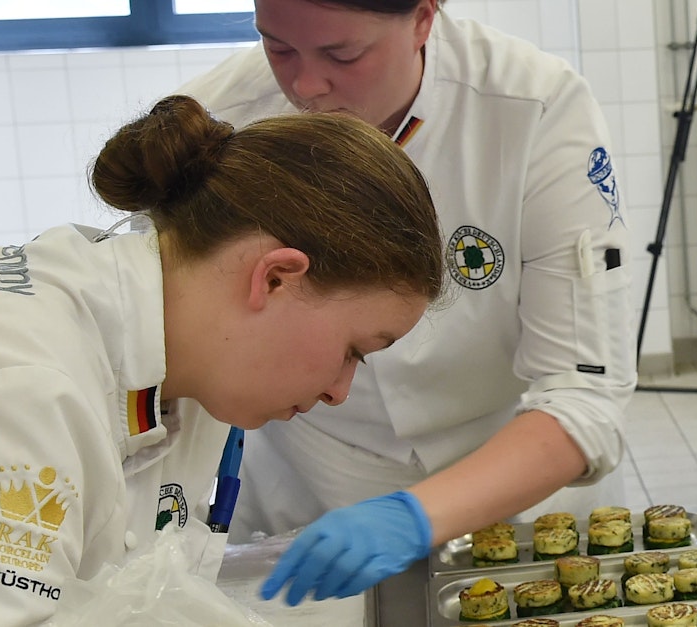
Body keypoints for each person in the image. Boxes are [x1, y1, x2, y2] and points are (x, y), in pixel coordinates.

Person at [176, 0, 636, 604]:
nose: (305, 85)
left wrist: (412, 516)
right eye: (278, 47)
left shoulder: (534, 110)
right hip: (314, 492)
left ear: (424, 19)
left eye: (343, 54)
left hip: (518, 483)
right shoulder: (220, 124)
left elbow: (585, 393)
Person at [0, 95, 443, 625]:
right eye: (354, 351)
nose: (340, 391)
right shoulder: (4, 384)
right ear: (275, 278)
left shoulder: (187, 351)